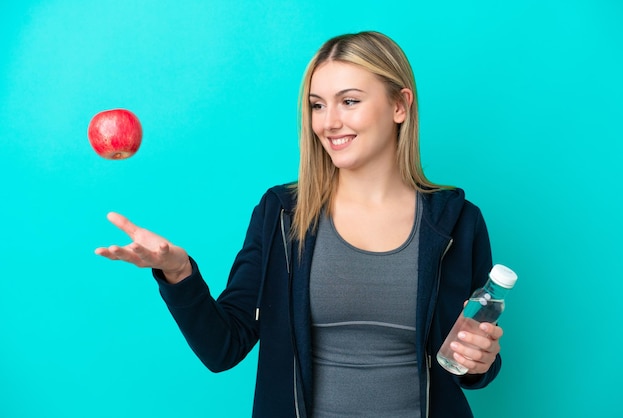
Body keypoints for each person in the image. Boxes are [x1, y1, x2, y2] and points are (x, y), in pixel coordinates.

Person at [96, 31, 503, 418]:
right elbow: (223, 347)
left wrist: (480, 362)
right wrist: (177, 272)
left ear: (400, 106)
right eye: (317, 105)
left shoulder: (456, 223)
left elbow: (467, 359)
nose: (328, 122)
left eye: (349, 101)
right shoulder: (282, 215)